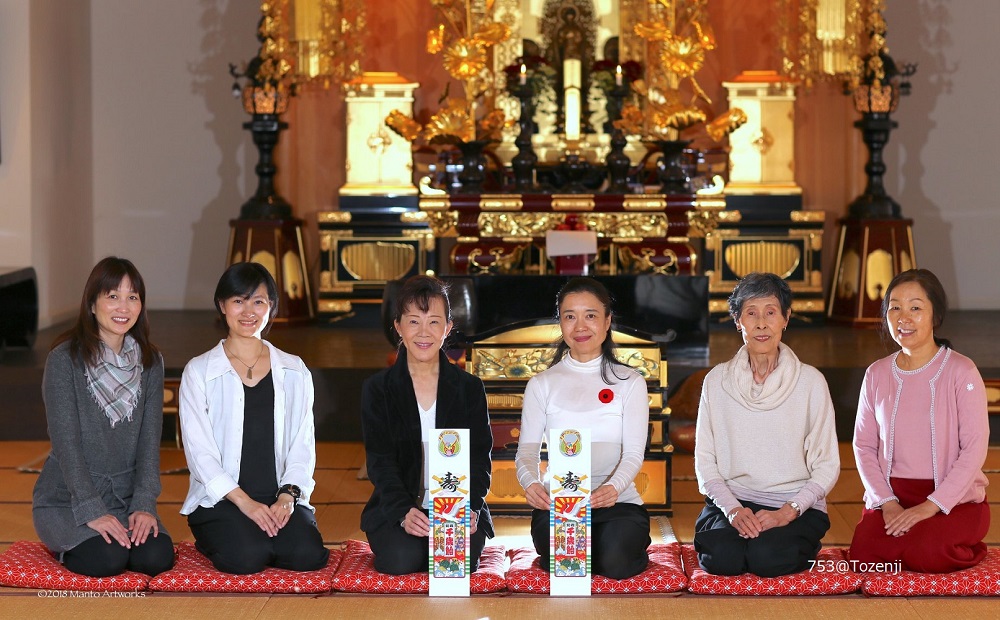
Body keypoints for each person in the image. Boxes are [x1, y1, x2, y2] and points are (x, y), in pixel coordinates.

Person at [179, 262, 328, 574]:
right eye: (238, 301)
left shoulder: (294, 369)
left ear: (270, 306)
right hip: (222, 499)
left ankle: (267, 535)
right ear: (222, 305)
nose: (248, 312)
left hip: (278, 496)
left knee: (308, 556)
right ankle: (225, 537)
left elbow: (303, 445)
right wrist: (245, 503)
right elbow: (199, 453)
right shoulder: (200, 371)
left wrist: (288, 497)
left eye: (258, 301)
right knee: (247, 558)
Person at [32, 257, 174, 577]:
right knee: (106, 560)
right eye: (112, 296)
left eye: (132, 297)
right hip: (67, 498)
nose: (123, 306)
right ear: (93, 304)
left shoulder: (151, 361)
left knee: (156, 558)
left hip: (126, 499)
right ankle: (69, 546)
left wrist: (144, 505)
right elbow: (66, 445)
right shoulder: (64, 359)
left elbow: (150, 444)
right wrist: (92, 509)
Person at [694, 272, 839, 577]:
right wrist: (732, 508)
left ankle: (793, 541)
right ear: (737, 321)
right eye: (751, 313)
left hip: (794, 504)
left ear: (786, 318)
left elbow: (827, 466)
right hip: (733, 500)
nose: (761, 323)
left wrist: (788, 512)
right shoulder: (716, 381)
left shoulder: (811, 382)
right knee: (722, 559)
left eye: (771, 312)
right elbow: (705, 462)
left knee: (768, 558)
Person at [850, 269, 989, 572]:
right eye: (895, 307)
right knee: (864, 556)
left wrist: (930, 506)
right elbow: (862, 445)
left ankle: (963, 544)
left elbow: (975, 448)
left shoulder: (961, 371)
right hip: (894, 496)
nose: (904, 317)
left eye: (915, 307)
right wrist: (886, 502)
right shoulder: (876, 373)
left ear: (935, 315)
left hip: (955, 498)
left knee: (927, 551)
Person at [515, 277, 651, 580]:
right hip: (559, 504)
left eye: (590, 315)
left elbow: (632, 453)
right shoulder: (541, 384)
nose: (580, 326)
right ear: (560, 323)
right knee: (567, 562)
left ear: (607, 322)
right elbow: (526, 451)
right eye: (570, 316)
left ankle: (625, 545)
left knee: (616, 561)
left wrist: (612, 489)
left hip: (618, 502)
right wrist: (530, 484)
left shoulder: (630, 382)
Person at [361, 275, 494, 574]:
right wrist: (403, 512)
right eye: (413, 322)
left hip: (457, 505)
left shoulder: (470, 387)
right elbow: (380, 462)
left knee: (456, 564)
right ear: (397, 326)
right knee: (401, 560)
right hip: (399, 505)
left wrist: (471, 505)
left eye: (434, 322)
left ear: (447, 327)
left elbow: (480, 457)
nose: (424, 332)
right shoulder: (377, 388)